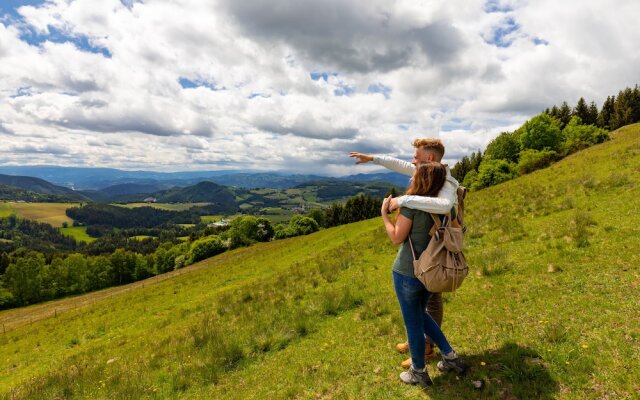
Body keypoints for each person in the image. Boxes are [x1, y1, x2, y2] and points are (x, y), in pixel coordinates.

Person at [350, 139, 458, 367]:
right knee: (423, 307)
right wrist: (373, 158)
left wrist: (401, 201)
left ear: (429, 158)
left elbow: (444, 206)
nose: (412, 162)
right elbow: (398, 164)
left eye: (416, 157)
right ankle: (430, 346)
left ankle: (425, 348)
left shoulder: (446, 182)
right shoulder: (431, 175)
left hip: (430, 255)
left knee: (427, 306)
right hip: (428, 251)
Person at [381, 162, 468, 387]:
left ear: (422, 180)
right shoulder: (448, 207)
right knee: (422, 315)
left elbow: (396, 238)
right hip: (433, 272)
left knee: (413, 323)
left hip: (408, 271)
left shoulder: (412, 206)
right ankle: (450, 357)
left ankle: (418, 371)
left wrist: (384, 215)